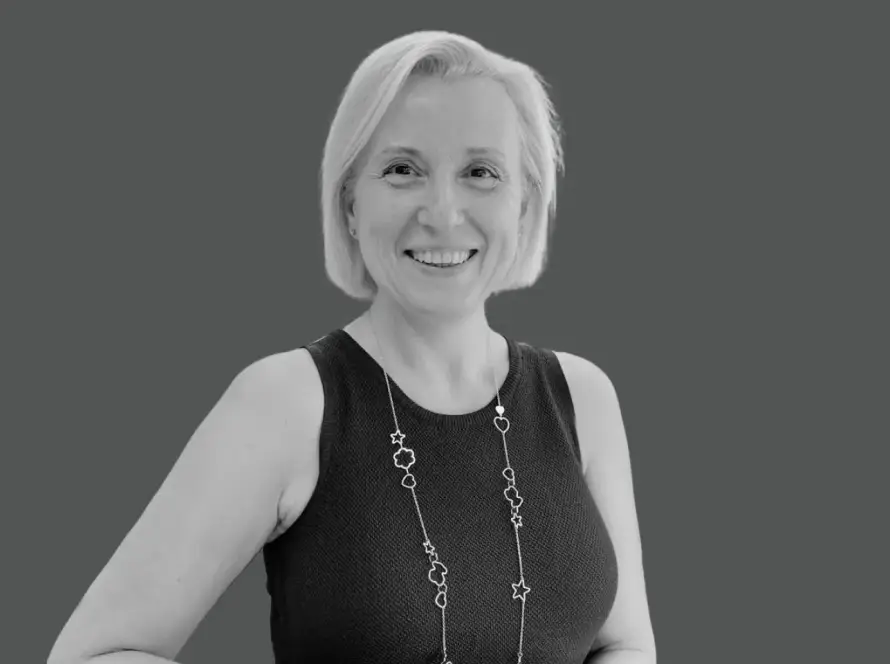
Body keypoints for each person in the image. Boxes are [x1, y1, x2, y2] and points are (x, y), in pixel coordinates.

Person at [47, 30, 656, 664]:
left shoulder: (583, 398)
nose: (443, 213)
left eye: (481, 172)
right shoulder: (285, 402)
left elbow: (625, 645)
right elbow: (93, 655)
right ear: (349, 207)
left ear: (524, 205)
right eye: (402, 170)